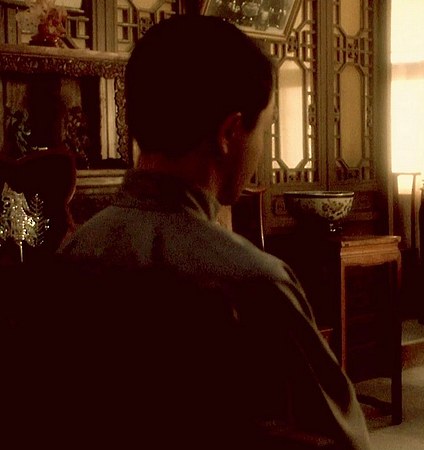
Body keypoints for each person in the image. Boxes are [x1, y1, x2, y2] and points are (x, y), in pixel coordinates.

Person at [53, 15, 371, 449]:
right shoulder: (254, 282)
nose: (261, 148)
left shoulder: (73, 255)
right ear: (229, 132)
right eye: (265, 129)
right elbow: (345, 439)